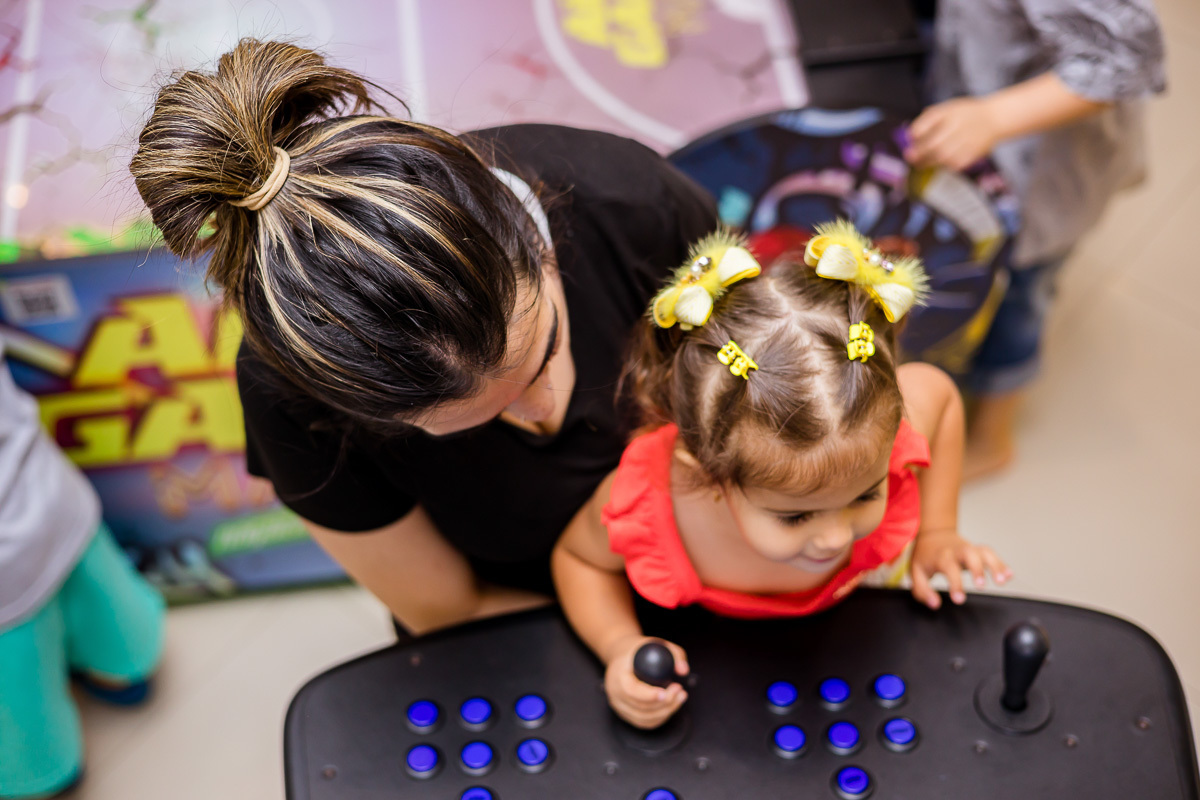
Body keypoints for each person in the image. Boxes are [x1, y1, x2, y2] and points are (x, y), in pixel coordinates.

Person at [129, 40, 717, 635]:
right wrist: (617, 635)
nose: (547, 412)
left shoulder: (628, 200)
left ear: (538, 244)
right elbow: (449, 608)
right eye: (480, 421)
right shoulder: (283, 394)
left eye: (546, 353)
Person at [552, 222, 1010, 729]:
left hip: (865, 633)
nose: (836, 536)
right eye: (795, 515)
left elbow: (939, 393)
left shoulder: (876, 428)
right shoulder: (648, 499)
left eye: (866, 494)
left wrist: (938, 532)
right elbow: (579, 561)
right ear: (707, 472)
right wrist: (618, 644)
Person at [904, 0, 1166, 479]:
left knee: (1020, 300)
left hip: (1043, 175)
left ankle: (991, 437)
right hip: (983, 112)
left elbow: (1129, 55)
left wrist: (994, 117)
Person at [0, 348, 165, 798]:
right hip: (49, 492)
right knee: (106, 610)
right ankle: (123, 669)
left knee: (20, 723)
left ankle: (47, 771)